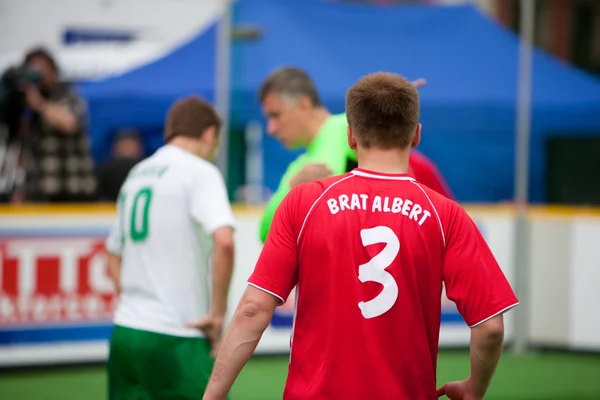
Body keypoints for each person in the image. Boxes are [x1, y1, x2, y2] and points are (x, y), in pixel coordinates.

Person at [203, 73, 518, 400]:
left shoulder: (304, 201)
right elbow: (490, 327)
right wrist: (474, 390)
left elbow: (254, 309)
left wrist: (212, 395)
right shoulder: (446, 215)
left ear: (351, 136)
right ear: (417, 135)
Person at [105, 96, 235, 399]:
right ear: (208, 133)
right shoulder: (200, 171)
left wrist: (131, 300)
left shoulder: (136, 174)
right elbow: (225, 241)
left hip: (126, 329)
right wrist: (217, 314)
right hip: (178, 332)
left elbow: (113, 252)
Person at [258, 66, 453, 243]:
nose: (271, 129)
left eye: (276, 115)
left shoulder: (337, 129)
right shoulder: (298, 168)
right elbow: (265, 234)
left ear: (304, 104)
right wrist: (294, 190)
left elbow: (360, 120)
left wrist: (389, 102)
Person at [12, 47, 96, 203]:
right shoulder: (25, 103)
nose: (38, 74)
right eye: (32, 69)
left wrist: (39, 104)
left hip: (71, 189)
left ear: (53, 70)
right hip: (37, 191)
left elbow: (70, 123)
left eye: (42, 69)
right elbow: (21, 148)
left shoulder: (68, 95)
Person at [96, 128, 144, 202]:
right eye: (124, 144)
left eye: (131, 144)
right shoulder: (105, 170)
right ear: (115, 147)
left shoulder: (146, 168)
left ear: (139, 147)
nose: (128, 148)